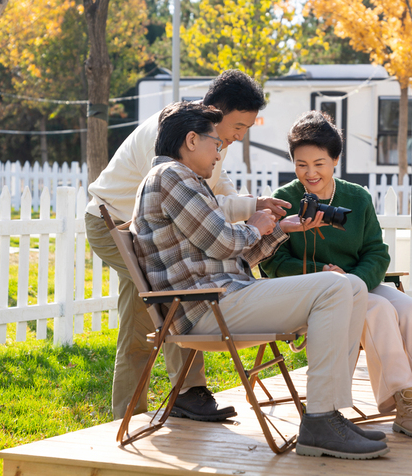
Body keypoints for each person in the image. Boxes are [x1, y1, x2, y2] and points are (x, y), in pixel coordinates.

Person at [130, 101, 389, 459]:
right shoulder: (171, 177)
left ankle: (328, 413)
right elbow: (223, 240)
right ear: (191, 140)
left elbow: (231, 255)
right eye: (215, 143)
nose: (219, 153)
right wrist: (254, 225)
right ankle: (320, 420)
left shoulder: (185, 181)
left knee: (352, 285)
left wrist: (280, 229)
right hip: (206, 308)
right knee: (334, 286)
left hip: (224, 297)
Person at [84, 70, 290, 421]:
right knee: (156, 311)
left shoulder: (208, 136)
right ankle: (139, 410)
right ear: (217, 111)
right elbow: (187, 202)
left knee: (175, 300)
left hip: (153, 226)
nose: (239, 137)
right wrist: (250, 212)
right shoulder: (174, 134)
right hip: (114, 223)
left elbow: (214, 188)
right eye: (238, 127)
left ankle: (185, 393)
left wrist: (254, 203)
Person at [261, 111, 412, 438]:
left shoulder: (356, 197)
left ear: (335, 160)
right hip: (309, 294)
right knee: (378, 309)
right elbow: (272, 263)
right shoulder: (284, 200)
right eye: (302, 164)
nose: (310, 172)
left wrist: (354, 281)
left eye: (319, 163)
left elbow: (376, 251)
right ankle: (406, 403)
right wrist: (324, 274)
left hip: (358, 282)